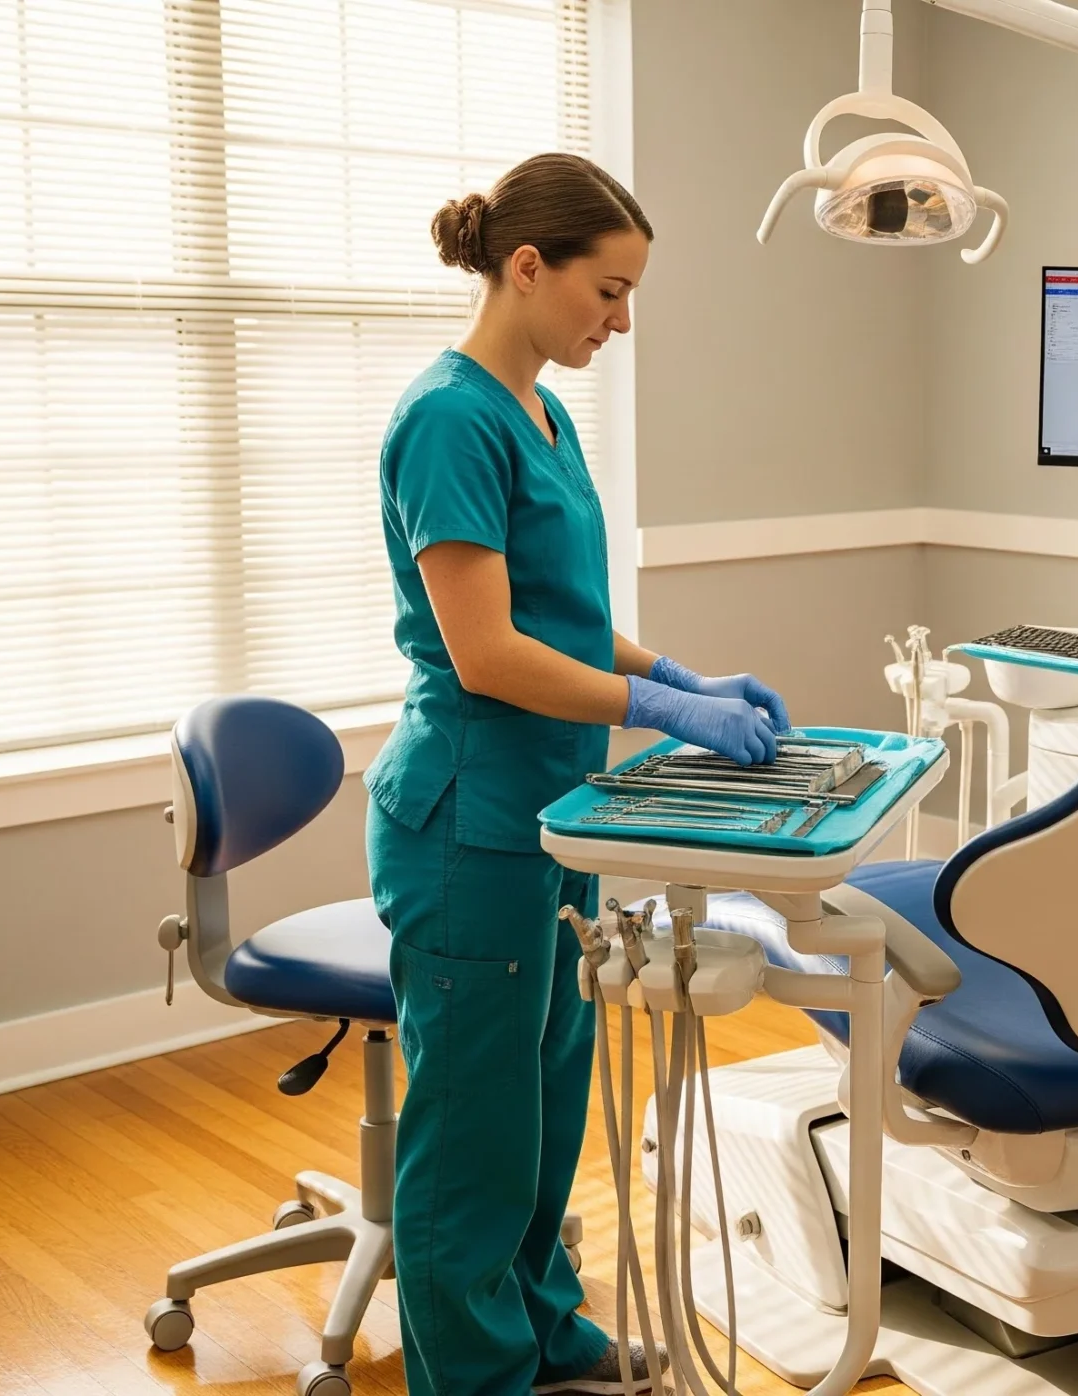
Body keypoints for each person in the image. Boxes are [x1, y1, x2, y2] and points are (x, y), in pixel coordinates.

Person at [364, 152, 789, 1396]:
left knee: (545, 1109)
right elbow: (488, 652)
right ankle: (478, 1378)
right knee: (473, 1138)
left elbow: (559, 614)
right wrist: (658, 709)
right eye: (608, 291)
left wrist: (680, 678)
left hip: (554, 818)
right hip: (468, 822)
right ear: (527, 267)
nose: (621, 320)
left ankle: (546, 1336)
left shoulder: (542, 411)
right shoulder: (448, 417)